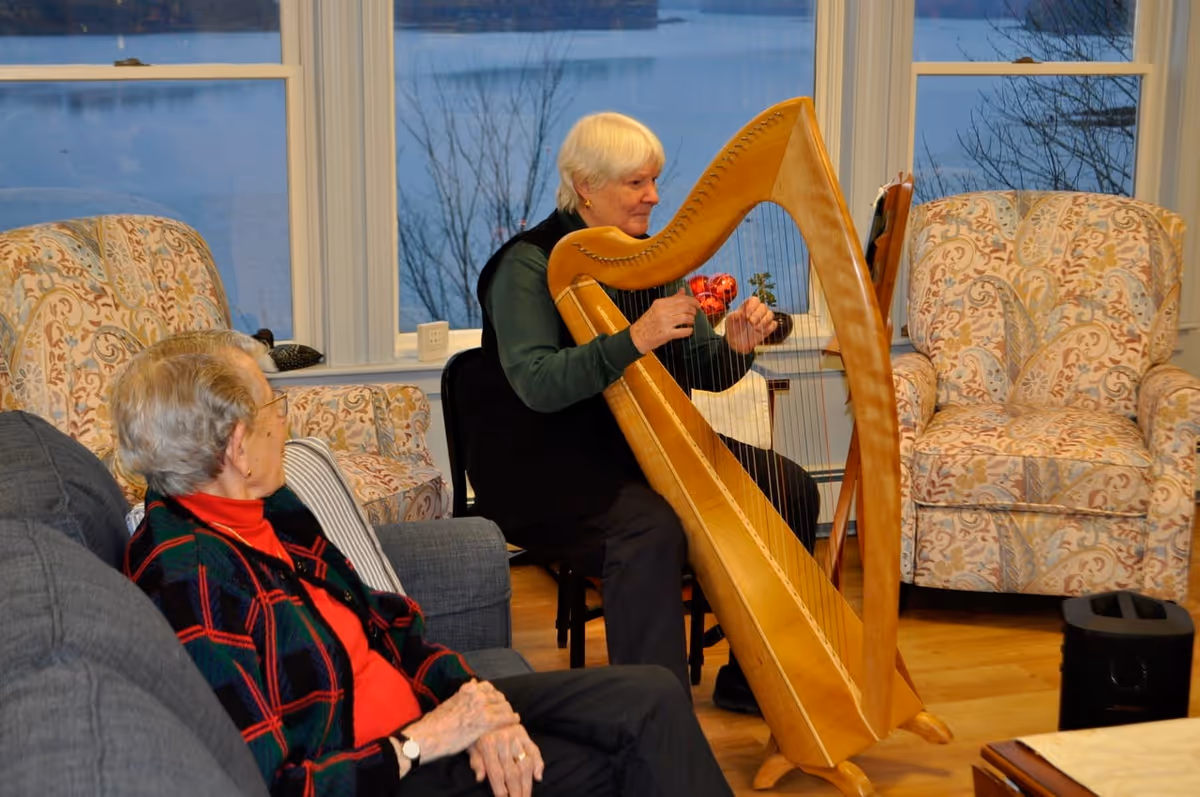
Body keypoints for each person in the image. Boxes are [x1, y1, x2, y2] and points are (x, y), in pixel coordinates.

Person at [114, 329, 734, 797]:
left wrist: (476, 702)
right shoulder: (189, 574)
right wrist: (423, 741)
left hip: (428, 717)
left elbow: (390, 624)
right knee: (621, 761)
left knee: (649, 695)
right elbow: (274, 783)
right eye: (274, 407)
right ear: (238, 447)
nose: (285, 420)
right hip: (391, 773)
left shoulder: (272, 508)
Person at [474, 111, 820, 715]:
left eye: (654, 181)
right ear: (585, 185)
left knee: (788, 487)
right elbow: (537, 383)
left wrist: (736, 346)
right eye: (637, 183)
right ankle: (652, 722)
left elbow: (700, 369)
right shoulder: (526, 267)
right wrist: (633, 340)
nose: (655, 196)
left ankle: (754, 678)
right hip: (544, 466)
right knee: (650, 530)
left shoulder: (652, 260)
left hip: (642, 450)